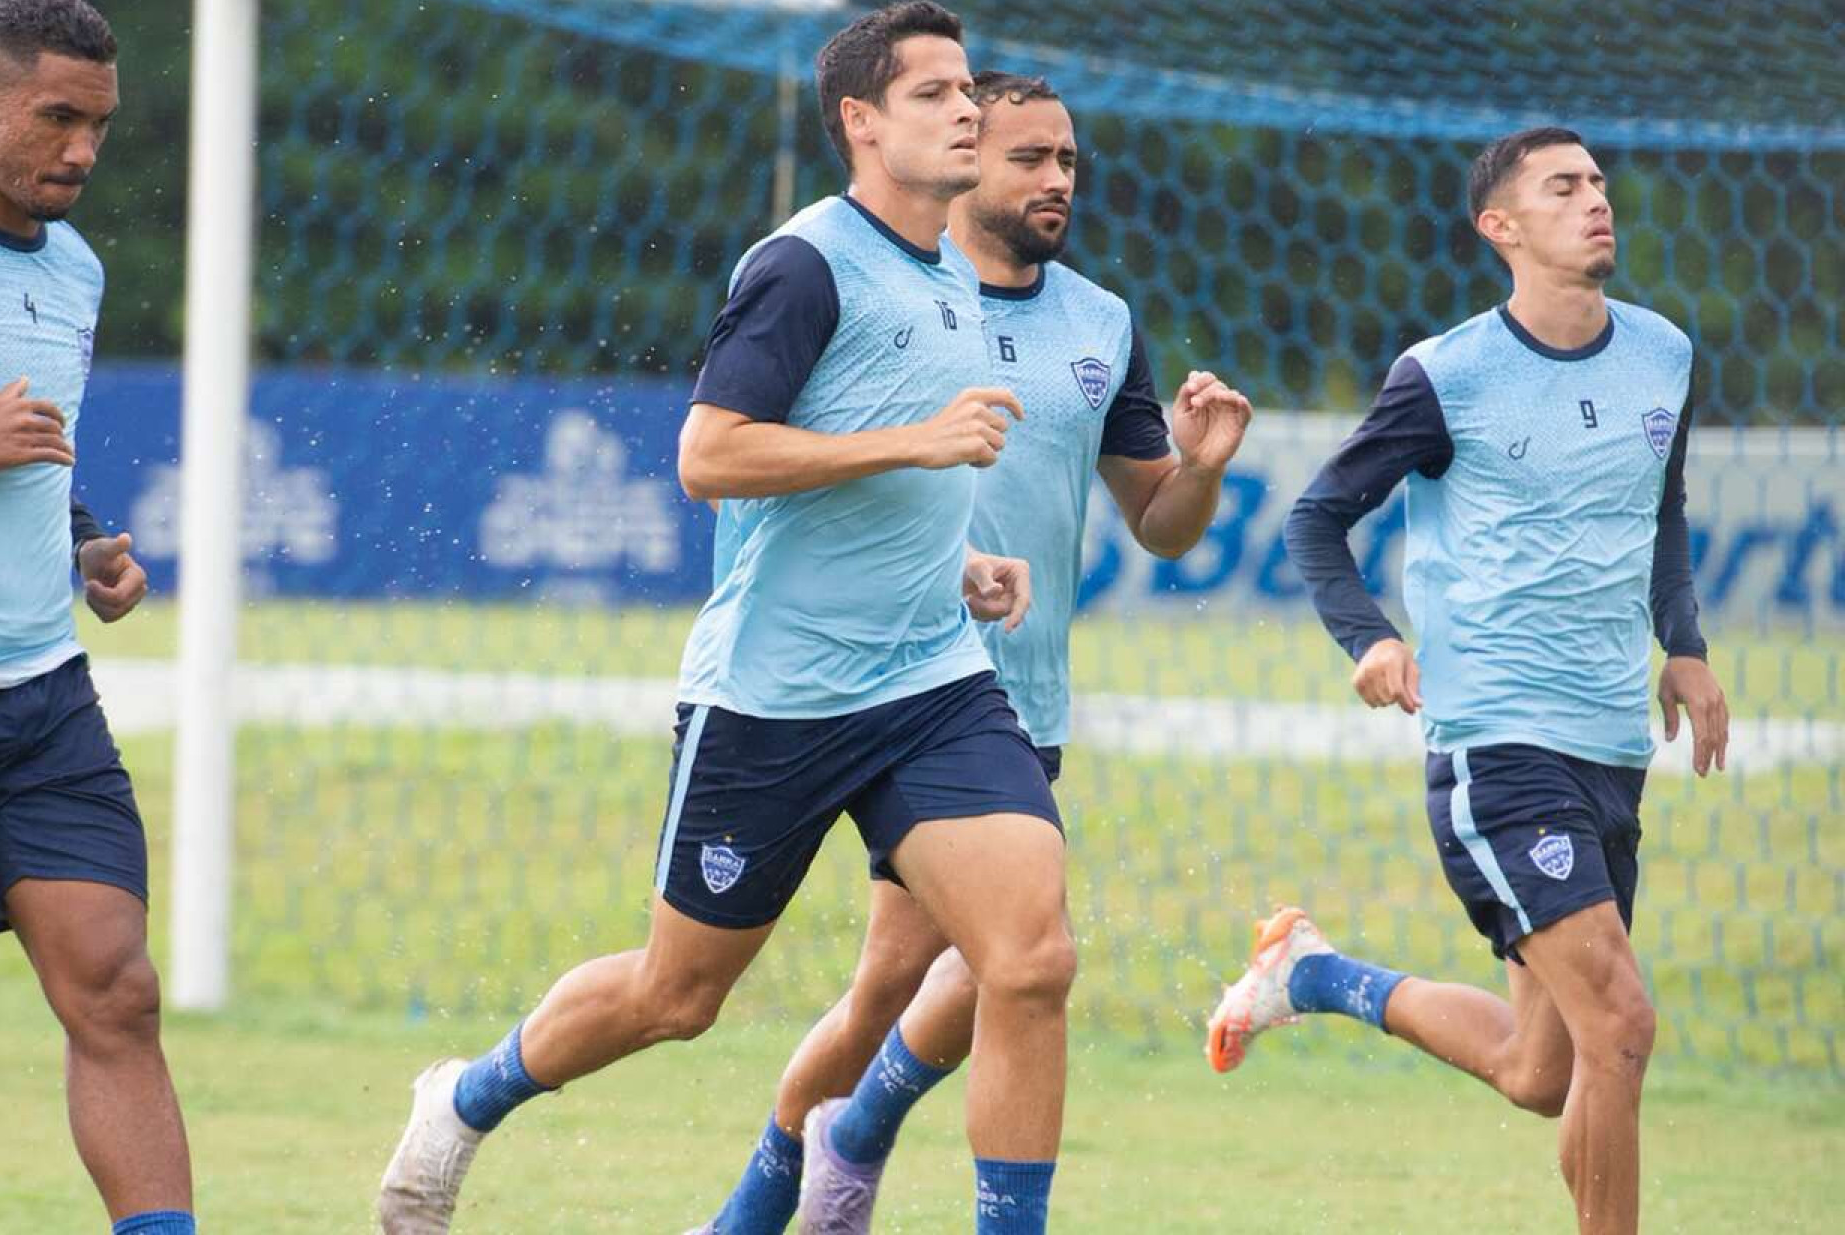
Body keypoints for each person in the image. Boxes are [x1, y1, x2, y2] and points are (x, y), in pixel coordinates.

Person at [379, 3, 1078, 1234]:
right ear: (861, 122)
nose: (968, 110)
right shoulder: (804, 264)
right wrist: (918, 444)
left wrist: (960, 558)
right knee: (677, 996)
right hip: (776, 698)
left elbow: (878, 466)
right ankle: (466, 1097)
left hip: (930, 683)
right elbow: (710, 456)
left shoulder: (952, 274)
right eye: (935, 94)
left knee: (1029, 961)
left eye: (970, 90)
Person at [692, 70, 1253, 1235]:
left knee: (956, 971)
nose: (1056, 181)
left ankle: (839, 1144)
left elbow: (1159, 523)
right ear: (954, 162)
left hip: (1017, 697)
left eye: (1068, 163)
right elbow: (730, 452)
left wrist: (1197, 470)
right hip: (877, 683)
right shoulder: (878, 291)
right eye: (1027, 159)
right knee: (969, 967)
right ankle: (788, 1187)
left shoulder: (1101, 323)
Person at [1210, 126, 1730, 1235]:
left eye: (1598, 181)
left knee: (1548, 1069)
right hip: (1498, 741)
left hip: (1610, 743)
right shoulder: (1445, 376)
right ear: (1502, 228)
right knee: (1624, 1025)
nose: (1596, 200)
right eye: (1563, 186)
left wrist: (1680, 641)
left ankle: (1312, 977)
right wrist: (1371, 640)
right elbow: (1317, 519)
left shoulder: (1664, 355)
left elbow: (1663, 510)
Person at [0, 0, 192, 1235]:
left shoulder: (77, 269)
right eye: (56, 118)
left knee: (117, 992)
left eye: (99, 123)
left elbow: (36, 452)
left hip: (39, 701)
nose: (83, 149)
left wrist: (86, 547)